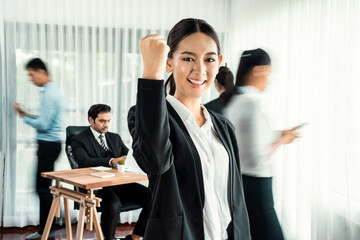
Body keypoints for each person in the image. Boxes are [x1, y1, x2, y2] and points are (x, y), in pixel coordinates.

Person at [127, 18, 251, 240]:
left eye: (209, 59)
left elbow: (237, 202)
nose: (199, 70)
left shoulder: (223, 126)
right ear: (168, 63)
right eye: (188, 58)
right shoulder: (148, 117)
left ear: (219, 62)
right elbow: (155, 161)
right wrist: (151, 73)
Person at [224, 48, 298, 240]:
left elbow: (245, 141)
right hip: (257, 187)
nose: (269, 80)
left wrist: (276, 135)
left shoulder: (236, 101)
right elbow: (256, 158)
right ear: (258, 70)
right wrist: (281, 140)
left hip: (244, 184)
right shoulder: (250, 103)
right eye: (268, 73)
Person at [70, 104, 151, 240]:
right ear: (91, 120)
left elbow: (130, 157)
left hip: (119, 184)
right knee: (113, 204)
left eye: (108, 121)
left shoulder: (115, 138)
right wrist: (112, 161)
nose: (106, 125)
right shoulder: (79, 139)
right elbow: (83, 162)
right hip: (97, 187)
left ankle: (135, 236)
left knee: (151, 197)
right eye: (102, 121)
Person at [13, 58, 65, 240]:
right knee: (43, 189)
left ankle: (47, 230)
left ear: (41, 72)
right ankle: (54, 222)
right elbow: (44, 118)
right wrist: (26, 113)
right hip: (50, 145)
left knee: (42, 190)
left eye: (31, 74)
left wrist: (23, 116)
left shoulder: (50, 94)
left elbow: (43, 124)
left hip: (48, 146)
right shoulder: (51, 92)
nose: (30, 78)